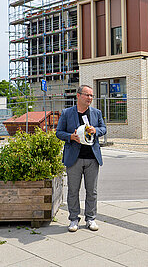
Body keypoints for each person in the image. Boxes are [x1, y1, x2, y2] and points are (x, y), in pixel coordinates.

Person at [56, 85, 106, 232]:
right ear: (78, 96)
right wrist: (70, 137)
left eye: (91, 96)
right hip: (74, 158)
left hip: (92, 158)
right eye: (87, 95)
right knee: (73, 190)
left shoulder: (96, 113)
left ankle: (91, 219)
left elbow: (104, 129)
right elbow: (59, 132)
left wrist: (96, 130)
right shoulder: (66, 113)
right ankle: (73, 219)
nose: (90, 98)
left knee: (92, 191)